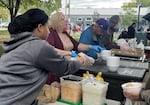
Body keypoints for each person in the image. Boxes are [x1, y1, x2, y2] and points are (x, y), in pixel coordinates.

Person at [0, 8, 85, 105]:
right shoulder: (38, 46)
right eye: (47, 27)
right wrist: (81, 60)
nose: (49, 31)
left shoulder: (14, 44)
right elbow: (65, 68)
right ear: (40, 27)